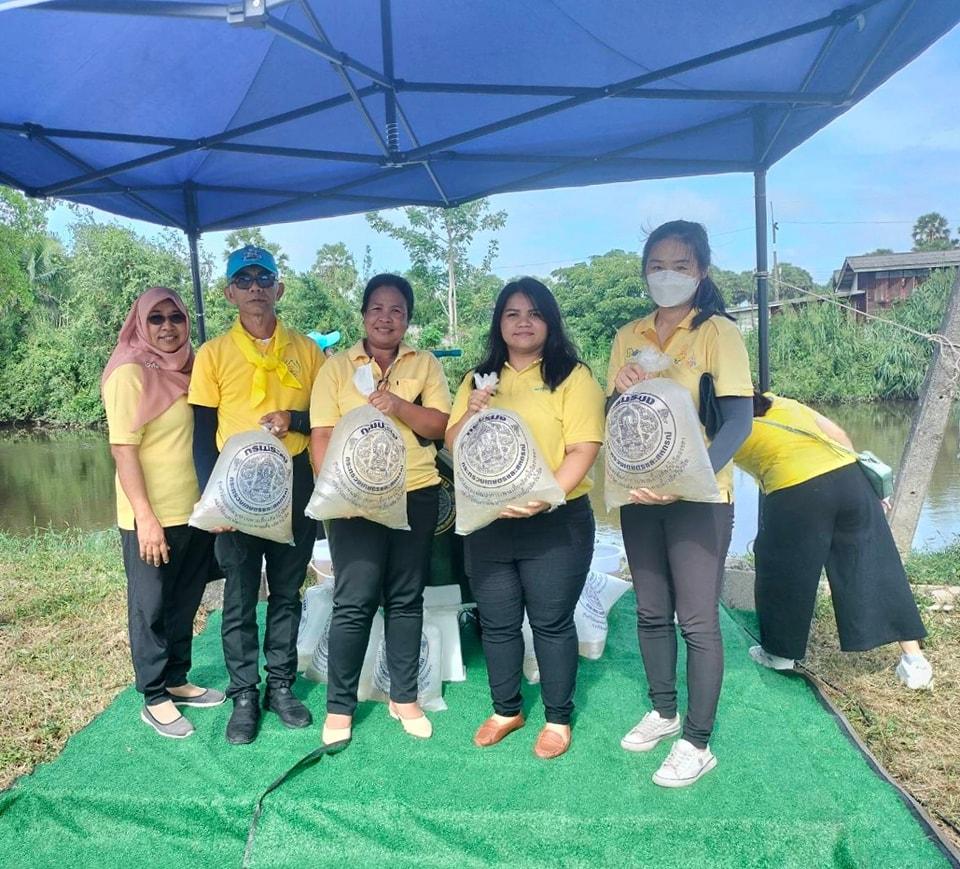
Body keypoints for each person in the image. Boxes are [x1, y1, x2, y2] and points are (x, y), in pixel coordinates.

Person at [607, 220, 754, 787]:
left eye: (680, 265)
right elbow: (617, 419)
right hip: (641, 492)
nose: (667, 275)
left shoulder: (717, 332)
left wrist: (689, 481)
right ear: (644, 271)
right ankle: (664, 711)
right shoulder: (628, 335)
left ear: (702, 272)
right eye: (657, 265)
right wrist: (617, 390)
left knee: (696, 619)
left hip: (700, 497)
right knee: (650, 610)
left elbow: (737, 423)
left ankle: (697, 740)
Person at [446, 277, 604, 760]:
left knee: (551, 622)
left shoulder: (572, 376)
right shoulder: (478, 379)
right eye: (512, 314)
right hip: (489, 519)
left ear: (549, 321)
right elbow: (452, 444)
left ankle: (557, 718)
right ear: (499, 322)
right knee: (497, 622)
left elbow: (583, 448)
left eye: (534, 313)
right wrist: (470, 411)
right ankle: (506, 710)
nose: (523, 323)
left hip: (556, 521)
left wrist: (546, 496)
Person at [189, 246, 324, 745]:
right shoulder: (212, 354)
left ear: (278, 288)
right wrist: (213, 501)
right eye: (243, 280)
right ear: (229, 293)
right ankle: (244, 692)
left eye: (263, 278)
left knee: (287, 590)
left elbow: (325, 420)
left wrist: (295, 419)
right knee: (241, 593)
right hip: (235, 486)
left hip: (294, 479)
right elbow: (202, 436)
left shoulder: (307, 351)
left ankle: (281, 686)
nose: (255, 288)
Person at [310, 274, 451, 745]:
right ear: (363, 315)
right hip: (355, 499)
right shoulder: (336, 368)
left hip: (416, 491)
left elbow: (439, 426)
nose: (385, 318)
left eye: (396, 310)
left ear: (407, 319)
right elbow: (322, 435)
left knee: (406, 598)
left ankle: (404, 696)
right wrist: (336, 494)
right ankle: (340, 706)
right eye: (376, 308)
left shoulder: (425, 364)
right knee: (354, 600)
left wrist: (397, 405)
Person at [735, 391, 932, 688]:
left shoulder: (718, 427)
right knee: (876, 564)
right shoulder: (779, 402)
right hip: (850, 478)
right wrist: (869, 488)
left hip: (796, 490)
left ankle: (779, 655)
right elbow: (839, 434)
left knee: (782, 570)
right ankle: (914, 661)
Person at [102, 287, 223, 739]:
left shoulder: (194, 367)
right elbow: (123, 449)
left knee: (185, 599)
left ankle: (176, 678)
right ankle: (154, 696)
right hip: (150, 515)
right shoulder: (129, 372)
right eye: (156, 318)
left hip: (192, 511)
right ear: (140, 324)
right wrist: (145, 518)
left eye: (176, 317)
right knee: (150, 605)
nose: (168, 327)